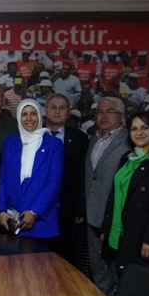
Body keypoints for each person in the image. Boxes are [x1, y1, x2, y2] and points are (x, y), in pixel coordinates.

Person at [101, 111, 149, 281]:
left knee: (140, 289)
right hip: (121, 235)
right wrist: (107, 229)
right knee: (122, 283)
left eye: (145, 128)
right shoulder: (127, 158)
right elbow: (115, 194)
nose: (139, 133)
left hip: (145, 239)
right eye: (134, 129)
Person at [0, 99, 63, 245]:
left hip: (41, 220)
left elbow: (53, 183)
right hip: (11, 220)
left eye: (33, 113)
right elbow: (3, 179)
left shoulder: (53, 144)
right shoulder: (10, 142)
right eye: (24, 114)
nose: (29, 118)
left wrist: (34, 212)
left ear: (40, 116)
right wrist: (1, 210)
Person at [83, 97, 131, 294]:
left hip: (116, 215)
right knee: (98, 263)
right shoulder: (93, 139)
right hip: (92, 212)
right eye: (100, 111)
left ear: (122, 116)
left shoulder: (129, 141)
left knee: (116, 265)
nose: (103, 115)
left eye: (110, 111)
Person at [44, 93, 89, 266]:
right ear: (45, 110)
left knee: (65, 258)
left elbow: (82, 175)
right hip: (37, 208)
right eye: (53, 107)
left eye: (62, 108)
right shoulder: (33, 135)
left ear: (68, 112)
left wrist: (80, 208)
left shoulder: (80, 139)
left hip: (67, 208)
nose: (57, 111)